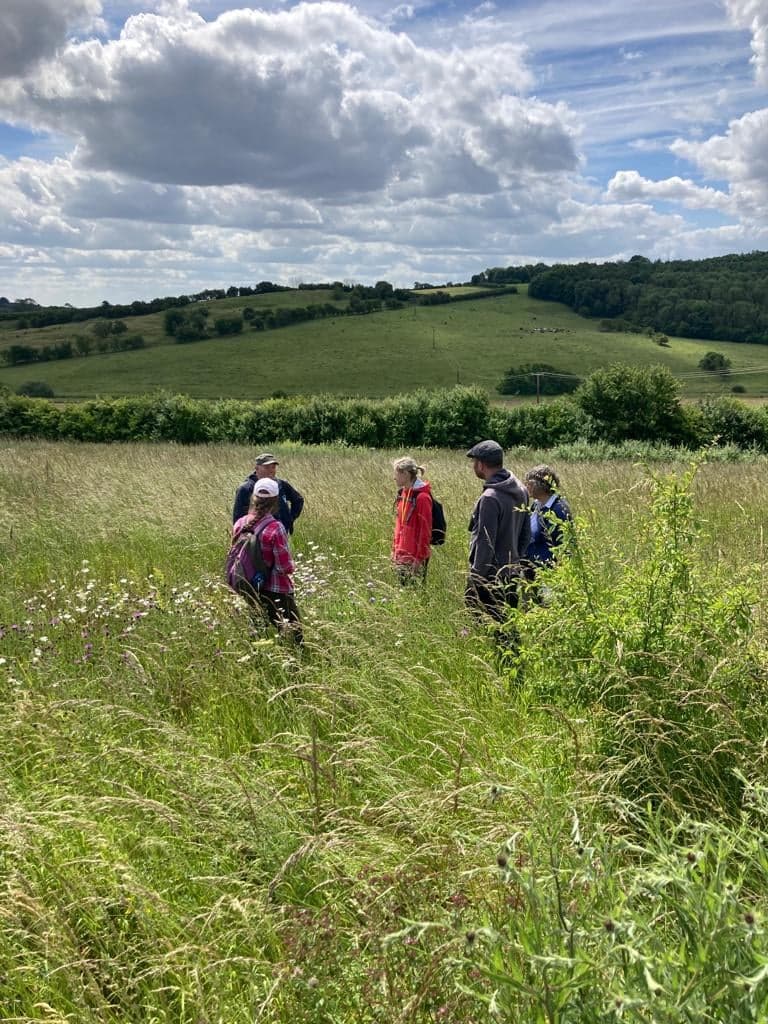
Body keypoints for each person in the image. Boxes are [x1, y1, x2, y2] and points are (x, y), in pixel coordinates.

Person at [465, 440, 530, 629]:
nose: (473, 466)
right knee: (508, 629)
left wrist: (475, 579)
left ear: (481, 465)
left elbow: (485, 544)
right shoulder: (521, 490)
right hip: (512, 574)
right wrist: (514, 562)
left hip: (490, 578)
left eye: (474, 462)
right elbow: (525, 535)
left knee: (488, 631)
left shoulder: (489, 498)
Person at [231, 477, 303, 644]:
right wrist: (293, 566)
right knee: (295, 635)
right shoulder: (275, 527)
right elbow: (284, 567)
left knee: (258, 632)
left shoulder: (240, 523)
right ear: (276, 501)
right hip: (276, 589)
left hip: (249, 587)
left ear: (253, 498)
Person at [233, 453, 304, 534]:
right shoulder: (245, 489)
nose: (271, 470)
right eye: (266, 467)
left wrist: (289, 520)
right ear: (257, 468)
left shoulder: (280, 484)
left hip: (281, 532)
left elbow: (298, 500)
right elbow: (238, 518)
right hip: (255, 536)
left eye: (273, 467)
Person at [392, 456, 433, 584]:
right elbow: (399, 526)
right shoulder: (403, 493)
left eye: (396, 474)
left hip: (415, 558)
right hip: (401, 554)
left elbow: (425, 532)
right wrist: (394, 551)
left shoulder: (422, 498)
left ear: (405, 474)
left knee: (415, 591)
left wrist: (418, 560)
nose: (394, 478)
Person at [524, 464, 572, 574]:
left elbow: (564, 546)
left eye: (529, 484)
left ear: (541, 486)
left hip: (549, 572)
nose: (526, 487)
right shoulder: (536, 504)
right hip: (533, 569)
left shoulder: (558, 509)